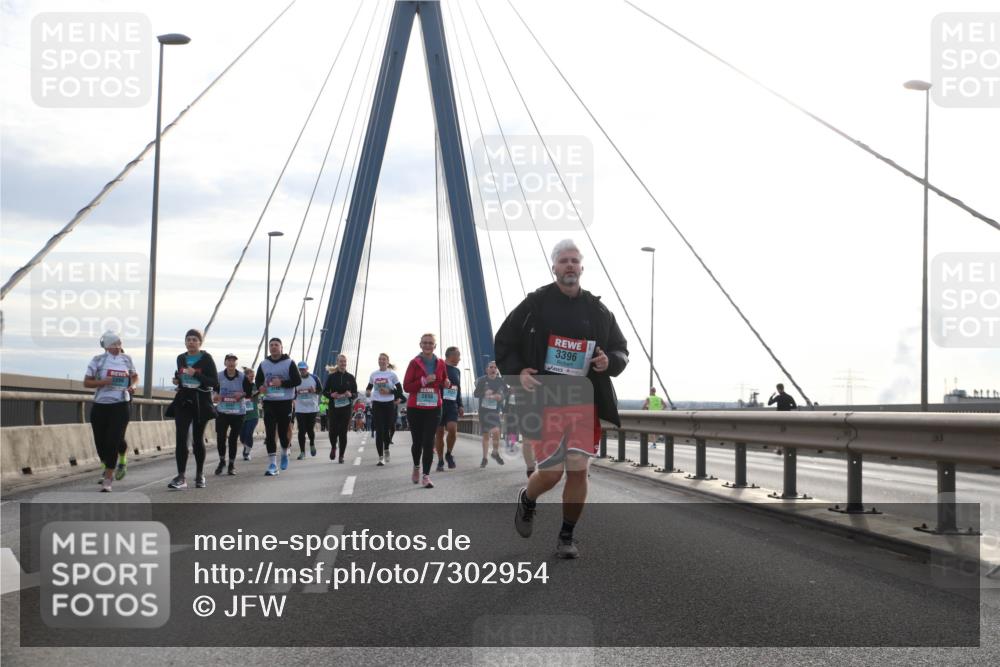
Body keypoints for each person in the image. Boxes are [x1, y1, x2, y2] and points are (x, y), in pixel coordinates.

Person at [496, 239, 629, 559]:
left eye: (574, 261)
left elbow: (620, 349)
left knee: (579, 470)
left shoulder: (598, 310)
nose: (569, 265)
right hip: (546, 400)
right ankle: (528, 498)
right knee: (553, 473)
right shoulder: (535, 305)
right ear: (553, 267)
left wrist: (608, 361)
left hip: (584, 401)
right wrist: (518, 372)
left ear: (582, 268)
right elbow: (505, 341)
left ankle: (566, 536)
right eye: (563, 261)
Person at [83, 331, 138, 492]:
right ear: (106, 346)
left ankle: (108, 477)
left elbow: (135, 376)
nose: (117, 347)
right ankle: (109, 465)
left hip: (121, 403)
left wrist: (133, 385)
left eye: (119, 344)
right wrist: (102, 382)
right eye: (113, 344)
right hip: (100, 404)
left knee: (113, 440)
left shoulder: (126, 359)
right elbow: (86, 382)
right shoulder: (98, 360)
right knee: (101, 442)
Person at [168, 329, 219, 490]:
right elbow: (182, 376)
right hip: (183, 401)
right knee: (181, 438)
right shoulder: (181, 358)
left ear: (200, 342)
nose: (191, 342)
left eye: (194, 340)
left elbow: (214, 382)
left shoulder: (206, 358)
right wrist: (178, 380)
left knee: (197, 439)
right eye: (188, 339)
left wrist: (195, 374)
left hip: (201, 402)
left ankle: (199, 475)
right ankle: (181, 476)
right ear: (185, 342)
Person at [403, 333, 449, 488]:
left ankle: (426, 476)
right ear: (420, 345)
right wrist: (423, 381)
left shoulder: (441, 363)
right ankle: (416, 467)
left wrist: (446, 383)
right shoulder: (414, 363)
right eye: (425, 343)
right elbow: (407, 386)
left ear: (435, 346)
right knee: (417, 442)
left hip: (434, 407)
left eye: (431, 343)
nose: (428, 345)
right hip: (415, 408)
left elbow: (443, 381)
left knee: (428, 441)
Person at [254, 337, 301, 476]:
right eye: (271, 345)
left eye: (276, 345)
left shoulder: (289, 363)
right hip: (269, 402)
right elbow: (258, 380)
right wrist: (260, 387)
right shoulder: (264, 364)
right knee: (269, 433)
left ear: (281, 347)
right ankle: (273, 464)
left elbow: (297, 380)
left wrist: (282, 383)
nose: (273, 347)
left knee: (282, 432)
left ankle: (285, 452)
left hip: (285, 402)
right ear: (269, 348)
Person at [213, 353, 253, 476]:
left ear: (236, 363)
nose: (231, 363)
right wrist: (215, 396)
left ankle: (231, 464)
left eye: (233, 361)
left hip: (238, 412)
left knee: (233, 439)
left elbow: (249, 392)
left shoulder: (242, 377)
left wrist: (241, 395)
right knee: (220, 438)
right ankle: (221, 461)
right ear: (225, 363)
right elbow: (213, 390)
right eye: (228, 361)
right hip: (222, 412)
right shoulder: (219, 376)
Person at [365, 353, 403, 465]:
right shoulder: (374, 374)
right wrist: (367, 392)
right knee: (379, 431)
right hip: (377, 404)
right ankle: (380, 457)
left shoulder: (392, 375)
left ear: (387, 362)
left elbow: (400, 391)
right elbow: (369, 387)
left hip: (389, 405)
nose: (381, 361)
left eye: (384, 359)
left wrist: (389, 391)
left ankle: (386, 449)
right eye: (380, 359)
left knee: (386, 431)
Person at [322, 355, 357, 463]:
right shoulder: (332, 377)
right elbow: (325, 391)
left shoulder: (350, 377)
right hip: (334, 408)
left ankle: (341, 456)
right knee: (332, 431)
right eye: (341, 361)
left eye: (344, 361)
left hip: (346, 408)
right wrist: (331, 395)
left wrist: (350, 394)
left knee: (343, 432)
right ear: (337, 362)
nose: (343, 363)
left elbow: (355, 394)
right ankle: (333, 447)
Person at [434, 346, 464, 471]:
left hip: (452, 405)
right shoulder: (439, 367)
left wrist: (460, 404)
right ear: (451, 356)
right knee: (439, 433)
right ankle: (440, 460)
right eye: (458, 355)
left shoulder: (457, 371)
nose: (460, 358)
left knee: (452, 429)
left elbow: (458, 389)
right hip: (438, 404)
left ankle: (449, 454)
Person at [474, 361, 508, 468]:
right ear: (487, 369)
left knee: (497, 432)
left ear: (497, 370)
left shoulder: (501, 381)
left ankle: (495, 452)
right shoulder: (482, 380)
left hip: (495, 411)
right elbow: (475, 394)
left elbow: (507, 393)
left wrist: (500, 397)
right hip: (484, 411)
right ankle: (484, 458)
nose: (493, 369)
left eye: (495, 367)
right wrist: (484, 393)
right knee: (486, 435)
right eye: (491, 367)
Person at [293, 361, 321, 459]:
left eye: (303, 369)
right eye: (300, 369)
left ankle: (312, 444)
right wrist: (296, 393)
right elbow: (292, 393)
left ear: (307, 368)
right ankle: (302, 452)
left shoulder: (314, 378)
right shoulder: (296, 379)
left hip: (312, 408)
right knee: (301, 430)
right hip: (300, 408)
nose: (302, 371)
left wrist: (314, 391)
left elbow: (320, 390)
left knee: (310, 429)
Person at [239, 367, 260, 461]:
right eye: (250, 376)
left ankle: (247, 452)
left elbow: (262, 394)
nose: (252, 378)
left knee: (248, 433)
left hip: (253, 415)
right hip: (242, 415)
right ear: (245, 376)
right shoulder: (240, 387)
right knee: (242, 437)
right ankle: (246, 447)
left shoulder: (256, 386)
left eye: (253, 376)